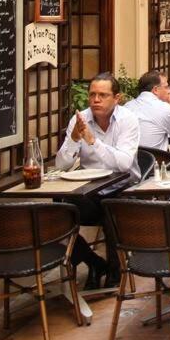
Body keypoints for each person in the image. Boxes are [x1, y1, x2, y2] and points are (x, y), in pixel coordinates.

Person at [55, 72, 140, 289]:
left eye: (102, 95)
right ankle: (95, 262)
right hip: (90, 189)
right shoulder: (80, 119)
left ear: (117, 98)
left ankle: (115, 271)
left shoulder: (127, 120)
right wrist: (74, 139)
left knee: (110, 209)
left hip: (124, 187)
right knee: (57, 209)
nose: (95, 100)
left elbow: (122, 164)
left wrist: (93, 142)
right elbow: (61, 166)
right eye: (92, 95)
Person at [128, 70, 170, 152]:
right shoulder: (165, 108)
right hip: (155, 161)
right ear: (155, 90)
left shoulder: (126, 107)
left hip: (129, 162)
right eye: (166, 87)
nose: (169, 91)